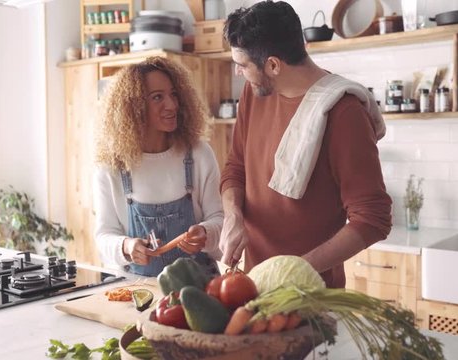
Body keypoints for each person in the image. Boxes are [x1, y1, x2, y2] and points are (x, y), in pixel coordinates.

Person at [219, 0, 392, 288]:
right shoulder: (254, 94)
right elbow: (236, 168)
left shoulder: (344, 112)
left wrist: (295, 272)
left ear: (273, 65)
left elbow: (373, 219)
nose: (239, 73)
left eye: (242, 65)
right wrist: (233, 216)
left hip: (313, 294)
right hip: (251, 285)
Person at [93, 56, 223, 277]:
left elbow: (219, 219)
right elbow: (104, 236)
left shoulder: (199, 154)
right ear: (133, 107)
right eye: (157, 97)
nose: (172, 105)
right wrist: (126, 246)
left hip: (200, 289)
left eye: (173, 95)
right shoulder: (112, 166)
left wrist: (205, 233)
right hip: (138, 289)